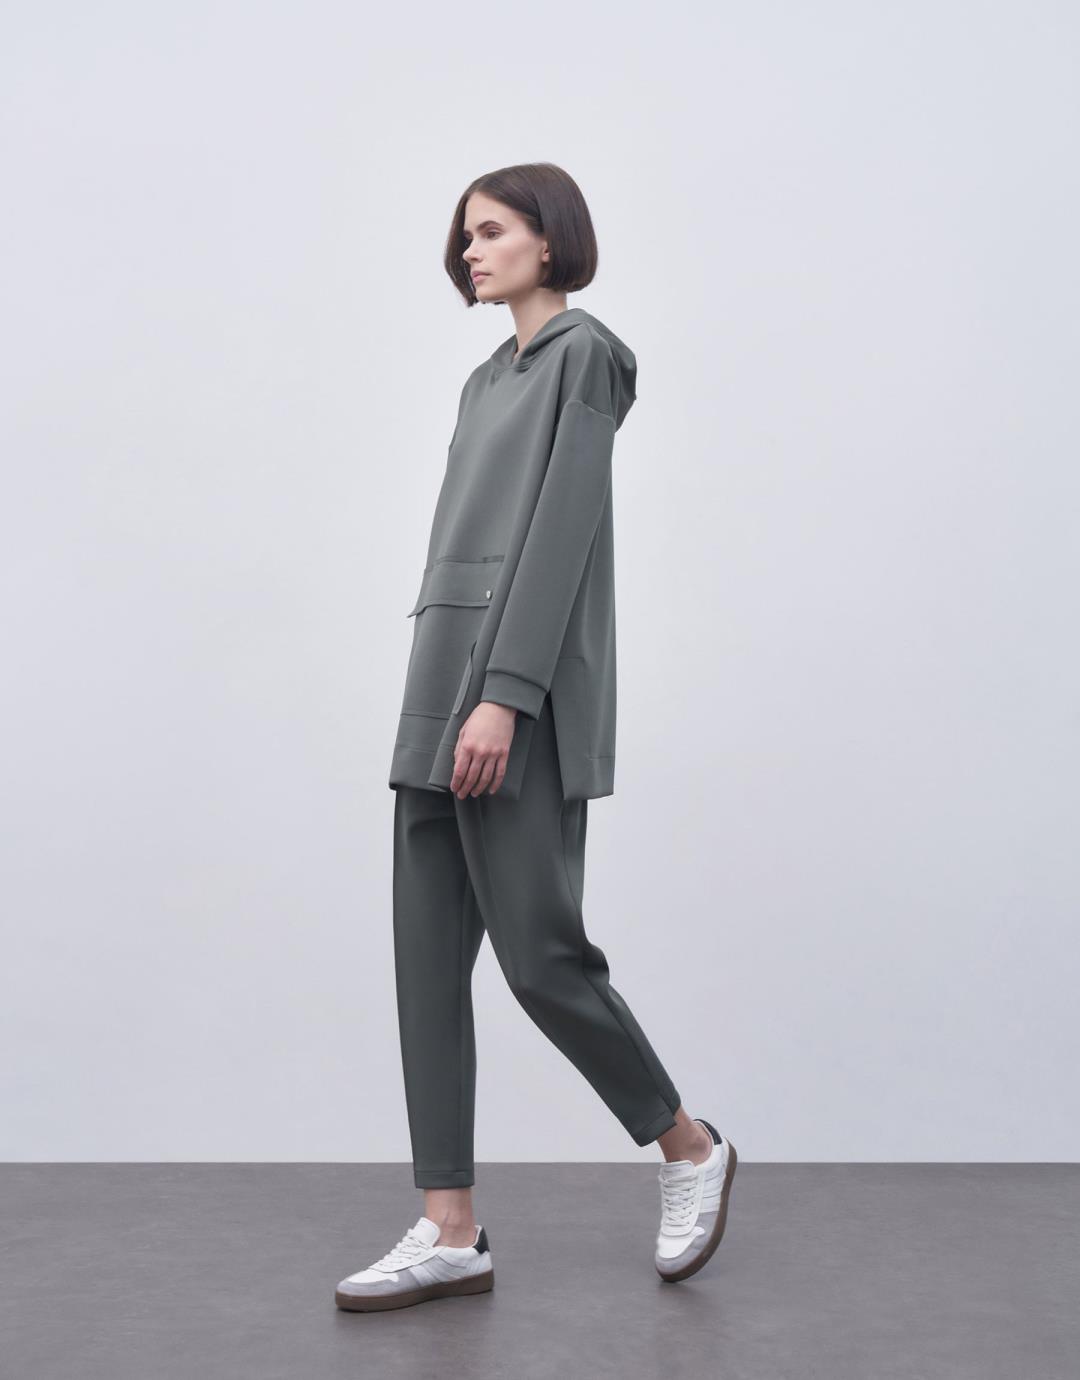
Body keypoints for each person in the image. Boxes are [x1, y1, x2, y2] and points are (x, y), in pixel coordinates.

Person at [335, 163, 736, 1313]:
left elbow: (559, 536)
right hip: (439, 686)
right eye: (465, 235)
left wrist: (505, 695)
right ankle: (450, 1227)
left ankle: (689, 1146)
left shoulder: (585, 355)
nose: (471, 249)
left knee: (539, 957)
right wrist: (444, 692)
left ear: (549, 241)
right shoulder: (481, 382)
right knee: (425, 964)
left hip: (522, 697)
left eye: (492, 230)